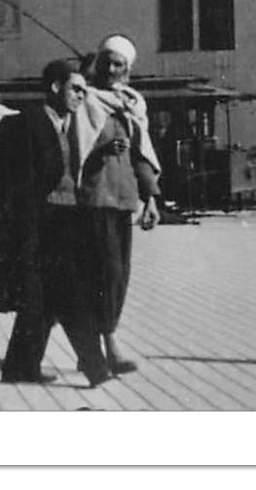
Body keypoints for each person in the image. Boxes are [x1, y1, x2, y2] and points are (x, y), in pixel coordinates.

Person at [0, 58, 108, 386]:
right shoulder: (25, 125)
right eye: (76, 89)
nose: (81, 97)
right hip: (40, 229)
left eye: (85, 91)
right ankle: (95, 369)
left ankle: (19, 369)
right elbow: (4, 181)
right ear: (55, 87)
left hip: (66, 225)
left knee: (42, 303)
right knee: (69, 300)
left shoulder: (71, 129)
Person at [81, 34, 162, 377]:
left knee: (118, 276)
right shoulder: (85, 99)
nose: (112, 70)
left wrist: (152, 198)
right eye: (107, 62)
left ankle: (100, 345)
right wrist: (102, 148)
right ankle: (107, 346)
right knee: (102, 275)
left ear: (128, 70)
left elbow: (141, 153)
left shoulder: (133, 105)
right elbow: (76, 145)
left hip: (123, 199)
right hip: (92, 197)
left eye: (119, 65)